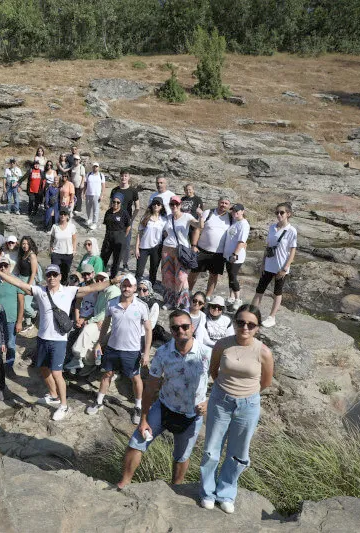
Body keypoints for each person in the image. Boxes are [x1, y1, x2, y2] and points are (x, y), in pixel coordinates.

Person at [0, 263, 112, 421]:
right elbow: (18, 283)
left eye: (55, 275)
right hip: (42, 338)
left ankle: (64, 405)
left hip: (58, 341)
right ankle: (54, 395)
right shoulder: (40, 291)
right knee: (43, 368)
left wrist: (113, 281)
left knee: (56, 373)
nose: (52, 277)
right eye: (49, 275)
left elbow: (91, 289)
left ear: (60, 277)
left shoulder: (69, 291)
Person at [116, 310, 211, 489]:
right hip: (164, 407)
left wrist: (209, 402)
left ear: (193, 327)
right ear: (171, 330)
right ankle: (124, 483)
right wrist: (143, 418)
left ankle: (174, 489)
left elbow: (223, 382)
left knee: (181, 456)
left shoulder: (206, 353)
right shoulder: (163, 352)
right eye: (175, 328)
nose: (180, 330)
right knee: (136, 442)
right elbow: (150, 386)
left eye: (185, 326)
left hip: (192, 414)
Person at [200, 304, 274, 513]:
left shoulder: (264, 352)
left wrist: (244, 394)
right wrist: (226, 390)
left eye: (251, 324)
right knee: (211, 449)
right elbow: (214, 370)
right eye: (241, 322)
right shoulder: (222, 345)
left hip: (248, 404)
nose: (245, 327)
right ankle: (207, 492)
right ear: (234, 322)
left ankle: (226, 493)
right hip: (220, 400)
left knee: (238, 452)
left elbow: (266, 382)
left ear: (258, 327)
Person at [87, 275, 152, 425]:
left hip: (132, 350)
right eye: (124, 285)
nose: (127, 288)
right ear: (121, 286)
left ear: (135, 288)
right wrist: (99, 343)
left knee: (135, 378)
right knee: (107, 375)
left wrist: (146, 353)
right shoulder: (111, 303)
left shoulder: (141, 306)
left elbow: (148, 330)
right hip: (112, 348)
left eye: (130, 286)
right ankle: (98, 402)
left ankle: (137, 406)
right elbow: (105, 325)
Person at [251, 202, 298, 328]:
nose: (279, 215)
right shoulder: (272, 228)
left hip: (281, 267)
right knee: (259, 289)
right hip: (268, 265)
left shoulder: (291, 231)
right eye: (277, 212)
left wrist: (285, 268)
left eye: (281, 212)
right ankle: (252, 314)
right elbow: (268, 247)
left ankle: (272, 317)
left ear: (288, 214)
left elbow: (292, 250)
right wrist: (263, 263)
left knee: (277, 292)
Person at [161, 196, 200, 310]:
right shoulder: (168, 218)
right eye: (172, 204)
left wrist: (200, 215)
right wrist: (168, 239)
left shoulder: (187, 216)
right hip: (167, 250)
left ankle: (183, 302)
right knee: (168, 277)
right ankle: (170, 301)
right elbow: (164, 231)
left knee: (181, 277)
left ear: (180, 205)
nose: (174, 206)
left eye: (176, 204)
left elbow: (199, 226)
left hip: (181, 252)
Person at [189, 198, 232, 296]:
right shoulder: (208, 212)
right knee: (194, 272)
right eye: (222, 202)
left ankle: (207, 297)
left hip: (219, 253)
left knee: (214, 275)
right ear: (218, 202)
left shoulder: (230, 217)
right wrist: (194, 245)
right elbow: (198, 229)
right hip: (202, 249)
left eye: (226, 203)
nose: (223, 205)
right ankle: (187, 292)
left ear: (229, 206)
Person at [0, 257, 25, 371]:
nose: (3, 268)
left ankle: (9, 367)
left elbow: (21, 302)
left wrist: (19, 321)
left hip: (11, 319)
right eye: (1, 266)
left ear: (10, 267)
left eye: (5, 265)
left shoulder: (16, 280)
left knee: (10, 344)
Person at [111, 170, 140, 270]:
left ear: (129, 177)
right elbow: (111, 206)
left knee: (126, 244)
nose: (123, 178)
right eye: (122, 176)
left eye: (125, 176)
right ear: (120, 177)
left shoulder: (133, 191)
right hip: (115, 222)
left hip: (126, 222)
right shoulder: (115, 190)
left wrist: (132, 219)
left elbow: (137, 207)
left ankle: (125, 264)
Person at [224, 204, 250, 310]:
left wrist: (234, 254)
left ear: (242, 211)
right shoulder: (235, 221)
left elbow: (241, 241)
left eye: (237, 211)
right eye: (233, 211)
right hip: (228, 255)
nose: (235, 212)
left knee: (233, 277)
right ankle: (231, 297)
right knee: (230, 276)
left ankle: (238, 299)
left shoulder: (244, 224)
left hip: (236, 256)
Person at [135, 198, 165, 286]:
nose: (156, 205)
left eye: (158, 204)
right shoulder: (145, 217)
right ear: (151, 205)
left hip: (156, 248)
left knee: (153, 270)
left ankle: (150, 288)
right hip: (143, 247)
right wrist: (137, 248)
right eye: (154, 204)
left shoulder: (163, 220)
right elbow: (139, 233)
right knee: (139, 271)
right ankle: (137, 287)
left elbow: (166, 234)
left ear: (161, 207)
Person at [101, 193, 131, 279]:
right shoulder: (108, 212)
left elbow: (128, 226)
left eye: (118, 202)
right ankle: (101, 275)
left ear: (121, 203)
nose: (116, 204)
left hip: (119, 238)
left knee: (116, 260)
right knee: (103, 257)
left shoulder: (124, 213)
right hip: (108, 237)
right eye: (114, 202)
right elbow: (106, 224)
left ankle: (112, 277)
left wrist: (122, 236)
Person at [49, 208, 78, 283]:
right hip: (56, 253)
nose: (63, 216)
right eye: (61, 214)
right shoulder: (55, 226)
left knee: (65, 273)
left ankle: (63, 288)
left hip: (68, 253)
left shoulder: (72, 226)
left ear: (68, 216)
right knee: (55, 272)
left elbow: (74, 239)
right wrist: (51, 249)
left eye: (65, 214)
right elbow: (51, 239)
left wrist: (74, 250)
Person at [16, 236, 39, 325]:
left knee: (25, 305)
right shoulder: (23, 254)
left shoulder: (32, 255)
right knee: (21, 302)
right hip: (21, 279)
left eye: (27, 244)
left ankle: (34, 315)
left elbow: (33, 272)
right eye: (23, 243)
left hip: (29, 280)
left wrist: (29, 286)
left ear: (30, 244)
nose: (25, 245)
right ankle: (28, 323)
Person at [84, 162, 105, 229]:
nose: (95, 168)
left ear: (98, 167)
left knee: (96, 209)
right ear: (92, 167)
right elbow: (85, 184)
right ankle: (89, 219)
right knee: (88, 208)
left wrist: (102, 195)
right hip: (88, 194)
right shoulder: (88, 174)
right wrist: (84, 193)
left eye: (96, 166)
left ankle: (94, 223)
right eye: (94, 166)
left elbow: (103, 186)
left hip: (97, 195)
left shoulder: (101, 175)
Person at [44, 162, 60, 229]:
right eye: (55, 180)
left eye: (57, 180)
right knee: (49, 214)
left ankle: (55, 227)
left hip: (57, 204)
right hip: (50, 203)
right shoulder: (50, 187)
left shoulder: (60, 187)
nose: (56, 181)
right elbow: (47, 196)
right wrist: (46, 203)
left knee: (56, 215)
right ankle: (48, 227)